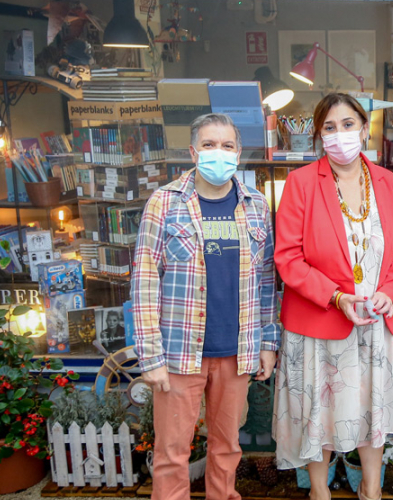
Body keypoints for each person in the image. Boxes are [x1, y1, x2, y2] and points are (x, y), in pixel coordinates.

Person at [273, 93, 393, 500]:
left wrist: (390, 292)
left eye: (348, 125)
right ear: (319, 135)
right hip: (321, 324)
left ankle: (371, 490)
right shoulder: (301, 183)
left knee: (373, 411)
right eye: (330, 128)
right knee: (320, 416)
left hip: (377, 325)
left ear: (365, 128)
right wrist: (337, 298)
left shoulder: (388, 183)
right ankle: (320, 492)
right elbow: (288, 257)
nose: (340, 136)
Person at [131, 113, 280, 500]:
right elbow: (145, 282)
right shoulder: (164, 204)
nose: (219, 153)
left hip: (235, 351)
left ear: (239, 153)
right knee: (171, 451)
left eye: (227, 146)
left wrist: (267, 341)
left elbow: (267, 281)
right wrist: (151, 357)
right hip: (180, 352)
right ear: (193, 151)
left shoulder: (256, 206)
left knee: (227, 447)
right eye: (210, 145)